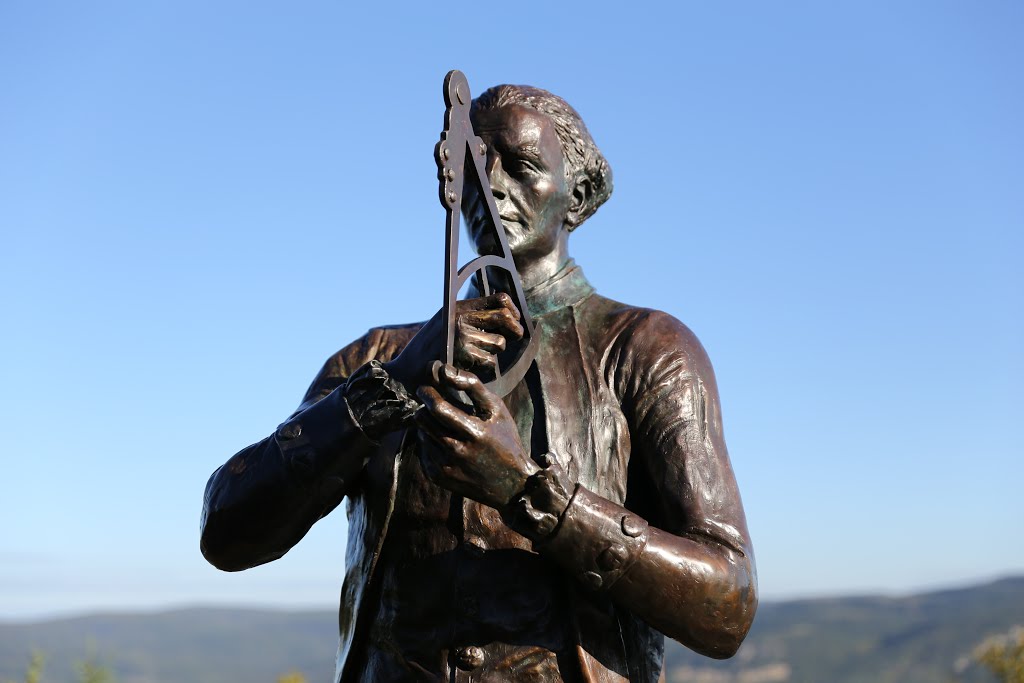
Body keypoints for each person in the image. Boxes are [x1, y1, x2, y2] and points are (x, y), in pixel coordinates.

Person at [200, 84, 757, 683]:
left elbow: (727, 606)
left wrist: (528, 492)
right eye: (474, 165)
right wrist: (386, 388)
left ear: (578, 196)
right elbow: (228, 535)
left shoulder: (646, 348)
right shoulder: (378, 356)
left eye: (520, 166)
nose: (490, 185)